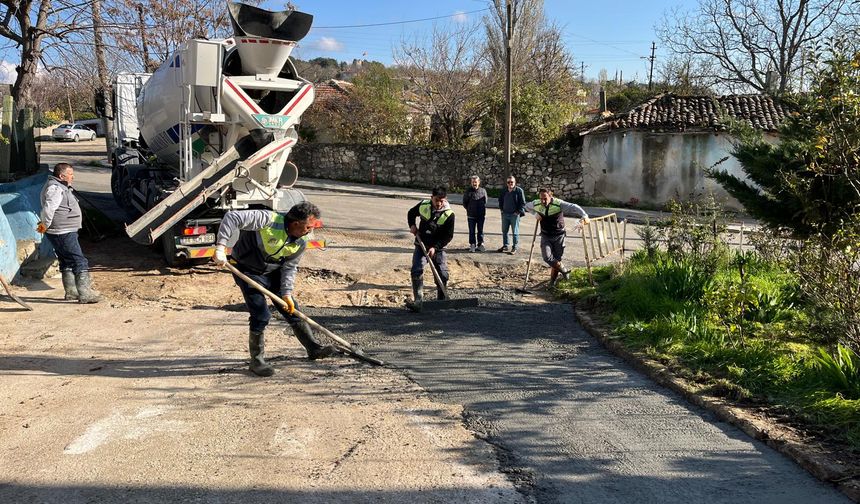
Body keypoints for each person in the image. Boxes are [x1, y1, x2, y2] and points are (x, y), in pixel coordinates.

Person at [213, 202, 336, 377]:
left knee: (291, 308)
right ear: (295, 224)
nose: (310, 231)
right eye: (308, 227)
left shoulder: (302, 241)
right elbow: (232, 217)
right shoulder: (267, 219)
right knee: (261, 314)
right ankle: (257, 361)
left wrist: (286, 293)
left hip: (273, 271)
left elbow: (290, 267)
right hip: (247, 269)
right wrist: (220, 246)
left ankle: (313, 348)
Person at [37, 162, 101, 303]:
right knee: (79, 261)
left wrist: (44, 228)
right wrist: (44, 227)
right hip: (62, 231)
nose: (73, 176)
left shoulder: (59, 186)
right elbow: (48, 210)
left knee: (66, 261)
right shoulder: (55, 188)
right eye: (70, 174)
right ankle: (85, 294)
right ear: (61, 175)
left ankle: (72, 293)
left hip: (62, 230)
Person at [526, 187, 589, 287]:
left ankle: (552, 282)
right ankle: (564, 270)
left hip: (559, 236)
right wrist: (535, 214)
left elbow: (574, 207)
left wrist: (584, 216)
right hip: (545, 235)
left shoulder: (558, 203)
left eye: (545, 198)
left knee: (557, 259)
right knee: (547, 257)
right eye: (541, 198)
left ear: (550, 196)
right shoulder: (536, 203)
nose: (543, 201)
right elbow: (526, 206)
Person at [405, 186, 455, 312]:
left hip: (439, 247)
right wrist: (412, 225)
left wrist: (435, 247)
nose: (439, 203)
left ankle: (441, 301)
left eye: (442, 200)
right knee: (417, 269)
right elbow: (411, 213)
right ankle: (418, 300)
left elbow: (448, 236)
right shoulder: (424, 205)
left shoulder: (449, 214)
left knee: (442, 274)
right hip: (421, 244)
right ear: (431, 198)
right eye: (437, 200)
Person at [497, 175, 526, 254]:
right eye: (508, 182)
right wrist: (501, 210)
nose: (510, 183)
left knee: (515, 232)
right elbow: (500, 200)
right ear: (506, 183)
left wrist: (517, 212)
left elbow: (523, 203)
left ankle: (514, 247)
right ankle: (505, 246)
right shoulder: (504, 190)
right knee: (504, 231)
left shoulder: (519, 191)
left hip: (514, 215)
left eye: (512, 182)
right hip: (505, 214)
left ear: (515, 182)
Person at [462, 175, 487, 252]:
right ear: (471, 183)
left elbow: (485, 201)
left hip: (481, 215)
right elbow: (464, 203)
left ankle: (480, 244)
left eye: (475, 182)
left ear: (478, 182)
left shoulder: (483, 191)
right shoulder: (468, 191)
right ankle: (472, 244)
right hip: (471, 215)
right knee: (472, 231)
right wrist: (469, 209)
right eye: (473, 182)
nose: (474, 183)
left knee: (480, 230)